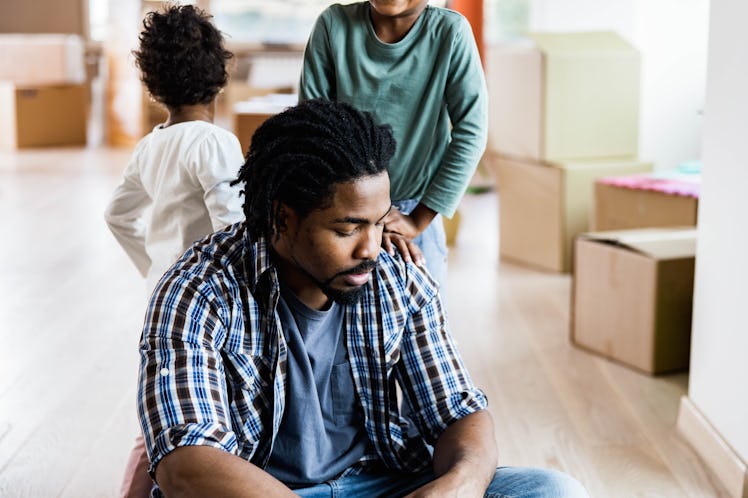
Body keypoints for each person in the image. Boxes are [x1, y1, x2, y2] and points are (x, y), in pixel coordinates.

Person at [137, 99, 589, 497]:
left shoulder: (397, 277)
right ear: (282, 218)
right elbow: (186, 464)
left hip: (380, 481)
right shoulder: (198, 289)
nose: (371, 248)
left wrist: (461, 485)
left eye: (379, 221)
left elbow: (457, 411)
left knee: (554, 491)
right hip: (264, 491)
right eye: (347, 228)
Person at [104, 4, 244, 496]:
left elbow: (117, 215)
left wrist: (156, 268)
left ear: (152, 84)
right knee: (214, 409)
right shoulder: (215, 143)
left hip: (160, 301)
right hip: (211, 306)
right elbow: (234, 225)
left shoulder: (150, 146)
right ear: (220, 77)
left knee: (157, 417)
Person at [299, 0, 488, 291]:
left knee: (422, 327)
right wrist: (362, 216)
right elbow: (313, 128)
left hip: (415, 214)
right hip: (342, 213)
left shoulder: (451, 33)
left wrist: (417, 221)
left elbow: (472, 132)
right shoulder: (334, 25)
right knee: (343, 328)